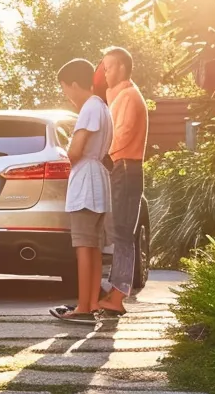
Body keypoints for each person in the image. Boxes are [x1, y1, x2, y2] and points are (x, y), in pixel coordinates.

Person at [50, 58, 126, 323]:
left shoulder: (88, 109)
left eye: (65, 89)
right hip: (98, 179)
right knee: (93, 246)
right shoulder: (102, 107)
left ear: (73, 84)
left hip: (86, 181)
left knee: (83, 245)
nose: (66, 95)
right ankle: (91, 302)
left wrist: (66, 153)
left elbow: (75, 150)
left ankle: (83, 307)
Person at [101, 46, 148, 303]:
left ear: (120, 67)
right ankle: (115, 292)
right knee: (118, 231)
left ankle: (118, 296)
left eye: (108, 68)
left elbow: (122, 134)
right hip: (122, 167)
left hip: (127, 167)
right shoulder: (120, 97)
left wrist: (101, 153)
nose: (105, 73)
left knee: (122, 233)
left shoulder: (129, 96)